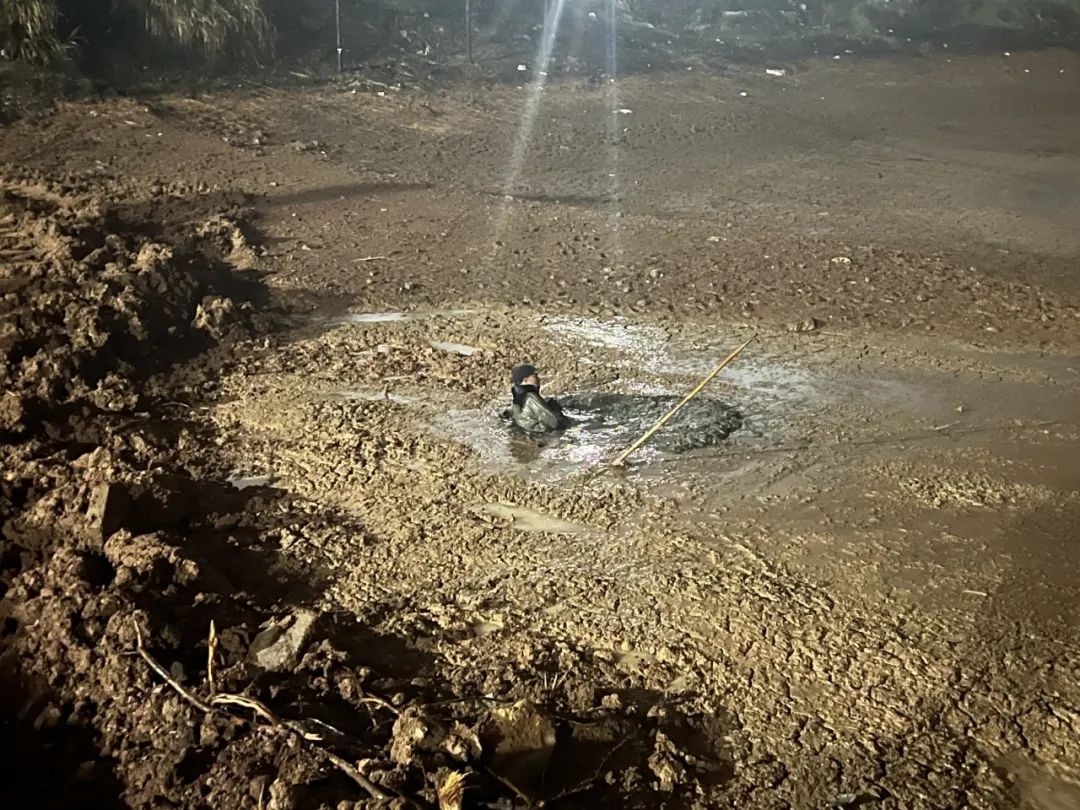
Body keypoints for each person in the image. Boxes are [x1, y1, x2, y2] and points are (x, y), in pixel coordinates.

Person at [508, 364, 567, 434]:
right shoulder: (531, 398)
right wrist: (556, 410)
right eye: (534, 376)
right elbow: (554, 422)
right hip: (539, 437)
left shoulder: (519, 396)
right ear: (525, 380)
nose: (538, 378)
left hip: (527, 434)